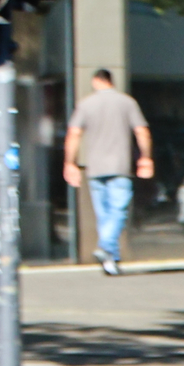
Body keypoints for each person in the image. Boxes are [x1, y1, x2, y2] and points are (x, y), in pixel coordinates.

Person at [65, 69, 153, 275]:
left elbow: (74, 133)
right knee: (118, 210)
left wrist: (70, 162)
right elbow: (142, 131)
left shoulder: (85, 104)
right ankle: (106, 247)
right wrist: (146, 157)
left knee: (104, 214)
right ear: (111, 81)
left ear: (96, 81)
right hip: (120, 166)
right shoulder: (127, 103)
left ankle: (110, 259)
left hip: (95, 167)